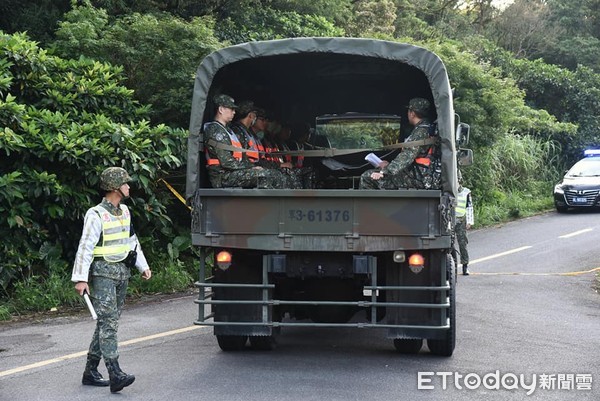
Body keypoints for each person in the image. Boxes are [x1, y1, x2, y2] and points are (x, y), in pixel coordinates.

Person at [71, 167, 152, 393]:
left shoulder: (124, 211)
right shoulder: (96, 214)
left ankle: (90, 371)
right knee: (109, 323)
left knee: (107, 322)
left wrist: (142, 266)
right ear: (116, 187)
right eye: (126, 183)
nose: (129, 187)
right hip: (103, 274)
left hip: (122, 273)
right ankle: (115, 373)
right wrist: (81, 278)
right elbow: (85, 247)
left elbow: (132, 242)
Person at [204, 94, 287, 189]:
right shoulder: (215, 130)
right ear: (221, 110)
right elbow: (226, 161)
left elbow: (241, 158)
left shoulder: (227, 130)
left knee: (274, 174)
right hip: (222, 176)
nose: (234, 112)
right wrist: (250, 167)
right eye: (231, 109)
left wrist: (252, 166)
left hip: (232, 173)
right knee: (267, 175)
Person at [359, 98, 440, 190]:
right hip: (420, 174)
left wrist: (385, 172)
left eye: (408, 111)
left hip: (419, 178)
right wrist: (388, 166)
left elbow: (407, 155)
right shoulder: (426, 128)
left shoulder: (421, 132)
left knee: (367, 177)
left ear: (412, 113)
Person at [456, 171, 474, 275]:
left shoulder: (466, 192)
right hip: (448, 221)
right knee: (447, 245)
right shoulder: (447, 191)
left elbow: (469, 207)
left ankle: (465, 266)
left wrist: (470, 221)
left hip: (461, 221)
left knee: (463, 244)